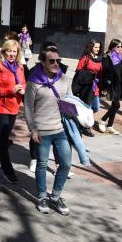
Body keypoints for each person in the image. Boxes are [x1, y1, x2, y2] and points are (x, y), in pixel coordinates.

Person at [25, 43, 72, 215]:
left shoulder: (65, 79)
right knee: (42, 164)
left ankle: (56, 196)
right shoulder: (34, 81)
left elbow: (68, 103)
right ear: (43, 62)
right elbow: (28, 106)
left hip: (59, 129)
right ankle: (42, 196)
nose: (56, 64)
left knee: (66, 163)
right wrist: (33, 129)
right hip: (42, 131)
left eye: (58, 60)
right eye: (51, 61)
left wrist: (73, 110)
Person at [0, 39, 26, 184]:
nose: (11, 54)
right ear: (3, 52)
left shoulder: (20, 67)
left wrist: (22, 89)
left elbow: (24, 83)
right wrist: (10, 90)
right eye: (9, 51)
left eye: (14, 51)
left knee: (4, 136)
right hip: (0, 107)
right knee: (3, 141)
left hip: (14, 106)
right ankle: (8, 171)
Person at [99, 39, 122, 135]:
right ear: (112, 46)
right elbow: (104, 73)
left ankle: (110, 126)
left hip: (120, 84)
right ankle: (103, 120)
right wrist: (104, 87)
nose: (120, 48)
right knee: (117, 105)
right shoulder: (107, 57)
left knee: (114, 105)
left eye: (121, 46)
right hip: (111, 84)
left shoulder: (121, 57)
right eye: (118, 46)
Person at [73, 39, 103, 137]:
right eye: (96, 47)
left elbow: (101, 74)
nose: (98, 49)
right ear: (91, 47)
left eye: (99, 47)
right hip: (86, 87)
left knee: (96, 107)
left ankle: (81, 120)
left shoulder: (100, 59)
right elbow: (78, 71)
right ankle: (86, 127)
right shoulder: (85, 58)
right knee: (88, 107)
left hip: (95, 87)